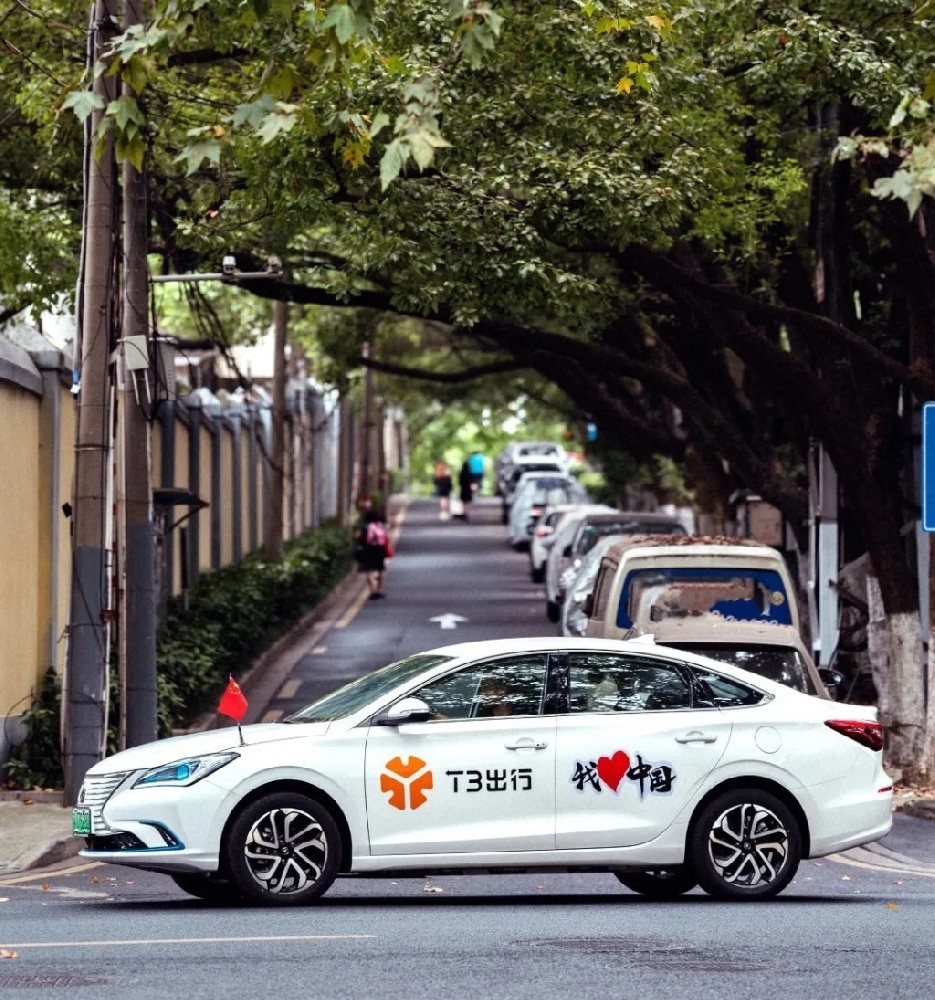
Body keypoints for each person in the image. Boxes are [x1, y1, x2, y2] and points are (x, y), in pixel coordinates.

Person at [355, 507, 392, 599]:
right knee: (381, 569)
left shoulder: (365, 526)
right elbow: (386, 537)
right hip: (380, 549)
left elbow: (359, 538)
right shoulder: (380, 525)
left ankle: (373, 590)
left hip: (368, 549)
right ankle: (379, 590)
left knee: (368, 570)